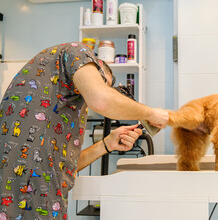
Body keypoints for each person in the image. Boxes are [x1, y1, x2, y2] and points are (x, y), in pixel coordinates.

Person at [0, 42, 169, 219]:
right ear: (98, 65)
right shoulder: (77, 51)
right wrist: (150, 113)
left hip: (38, 194)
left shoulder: (64, 104)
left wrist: (107, 144)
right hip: (23, 195)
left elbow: (64, 164)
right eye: (103, 83)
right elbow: (101, 99)